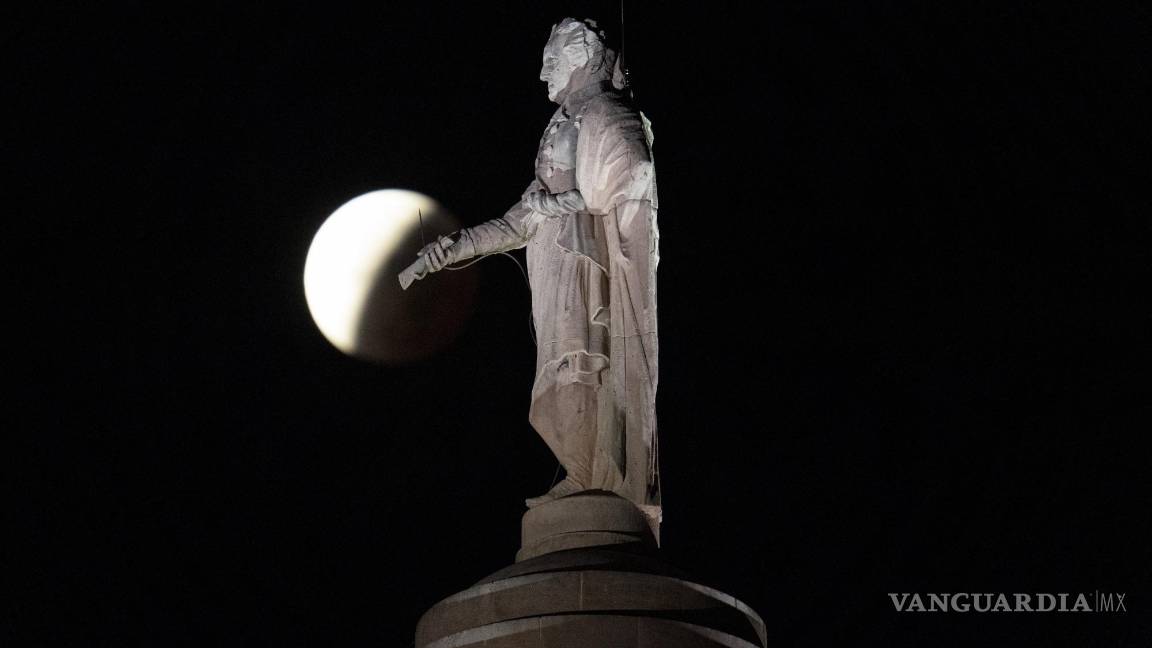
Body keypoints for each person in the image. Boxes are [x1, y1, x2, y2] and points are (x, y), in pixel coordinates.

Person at [414, 17, 661, 530]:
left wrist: (564, 203)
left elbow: (631, 176)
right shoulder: (566, 120)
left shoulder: (605, 113)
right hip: (551, 262)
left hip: (583, 260)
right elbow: (519, 220)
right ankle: (585, 471)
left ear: (581, 56)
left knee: (580, 362)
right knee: (556, 373)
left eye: (552, 59)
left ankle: (598, 474)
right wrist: (456, 247)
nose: (544, 72)